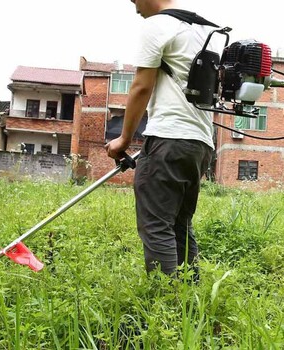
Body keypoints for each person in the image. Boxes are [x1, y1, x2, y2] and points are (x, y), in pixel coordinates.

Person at [105, 0, 220, 279]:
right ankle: (188, 304)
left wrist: (123, 140)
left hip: (169, 139)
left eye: (134, 1)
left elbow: (142, 86)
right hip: (201, 144)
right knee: (180, 224)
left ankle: (166, 308)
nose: (135, 8)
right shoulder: (208, 30)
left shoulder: (157, 25)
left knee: (156, 225)